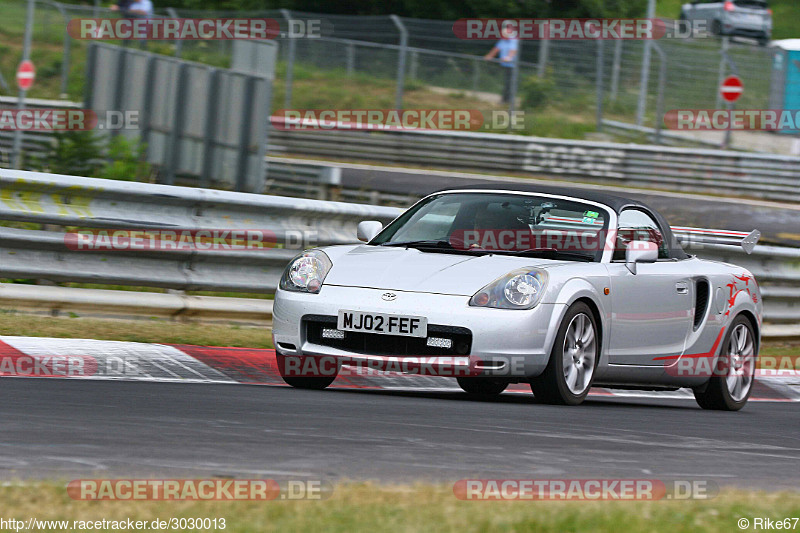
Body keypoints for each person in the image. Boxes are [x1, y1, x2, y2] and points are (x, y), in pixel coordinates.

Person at [483, 23, 519, 104]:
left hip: (512, 65)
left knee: (509, 83)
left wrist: (509, 57)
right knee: (507, 82)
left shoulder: (513, 40)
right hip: (505, 65)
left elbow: (513, 50)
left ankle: (506, 100)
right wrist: (489, 56)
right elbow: (496, 49)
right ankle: (506, 100)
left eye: (503, 35)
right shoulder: (503, 40)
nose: (502, 37)